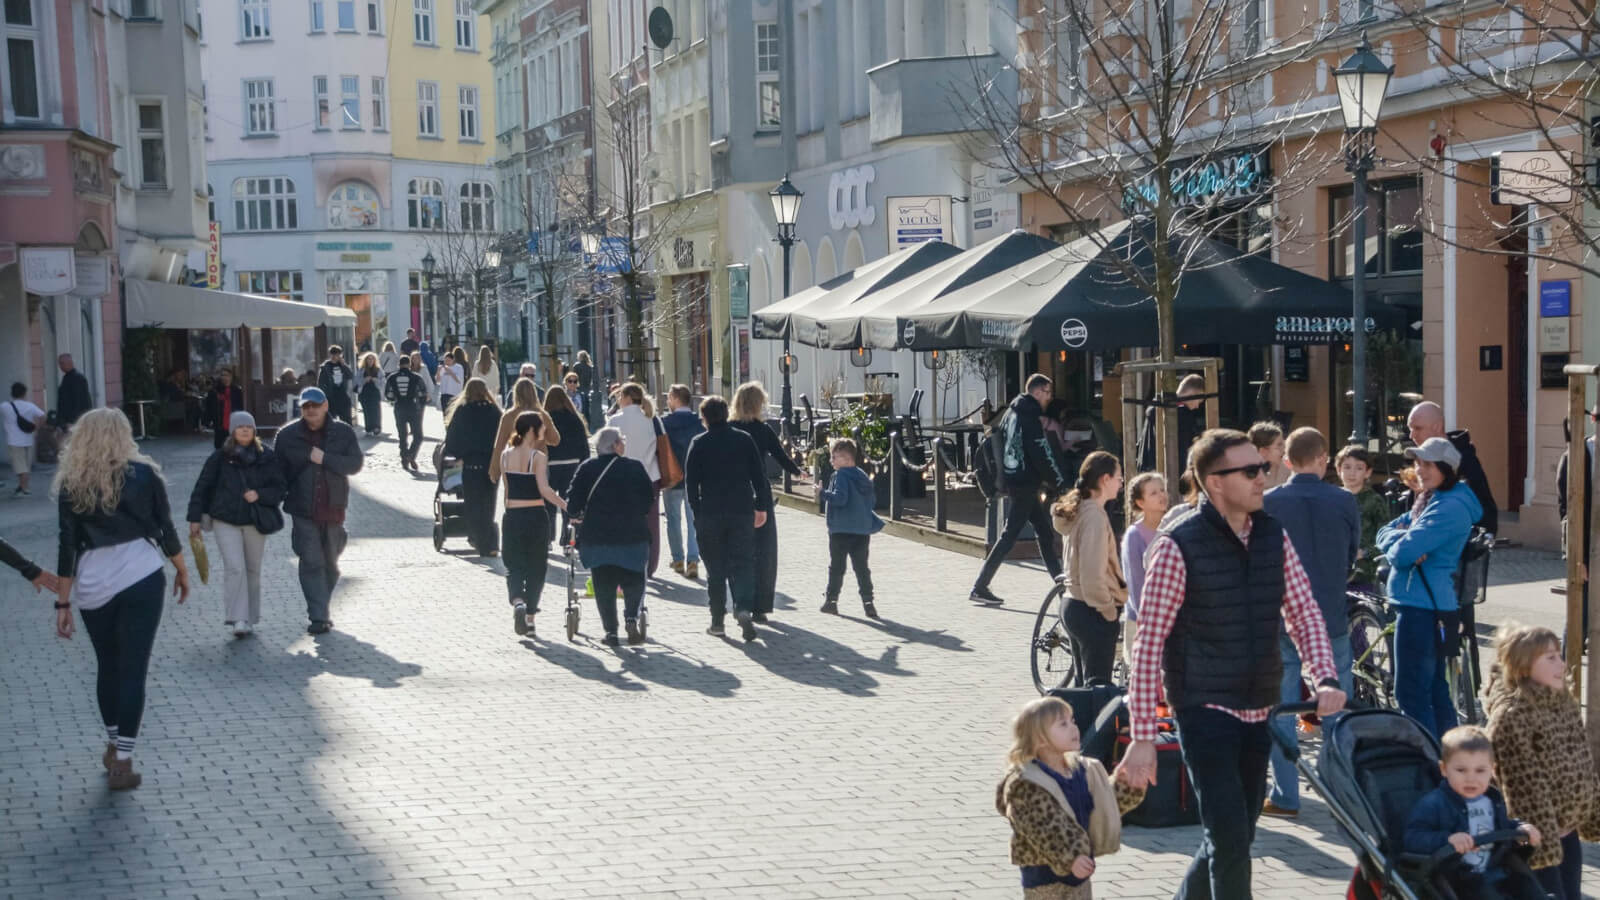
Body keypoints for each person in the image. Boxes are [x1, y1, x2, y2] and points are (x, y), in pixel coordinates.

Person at [1117, 428, 1345, 900]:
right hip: (1202, 708)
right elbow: (1149, 644)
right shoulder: (1178, 545)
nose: (1265, 476)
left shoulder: (1271, 535)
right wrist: (1141, 737)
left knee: (1237, 834)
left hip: (1258, 706)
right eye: (1251, 470)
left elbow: (1303, 612)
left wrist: (1323, 674)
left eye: (1263, 467)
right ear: (1215, 483)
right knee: (1229, 839)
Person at [51, 408, 191, 791]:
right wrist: (181, 568)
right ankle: (123, 760)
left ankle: (114, 741)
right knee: (134, 668)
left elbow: (67, 549)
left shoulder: (71, 484)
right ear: (124, 435)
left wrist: (62, 604)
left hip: (93, 581)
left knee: (108, 666)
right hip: (142, 575)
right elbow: (166, 529)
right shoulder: (145, 475)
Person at [1261, 427, 1360, 819]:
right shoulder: (1343, 501)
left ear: (1286, 461)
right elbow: (1353, 553)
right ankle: (1344, 790)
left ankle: (1286, 794)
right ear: (1324, 459)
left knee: (1282, 704)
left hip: (1281, 615)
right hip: (1331, 613)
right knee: (1337, 703)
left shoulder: (1269, 501)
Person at [1377, 437, 1482, 740]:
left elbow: (1402, 555)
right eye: (1417, 462)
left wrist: (1403, 542)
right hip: (1424, 603)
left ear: (1446, 468)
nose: (1420, 469)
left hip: (1423, 608)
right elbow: (1386, 531)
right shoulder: (1432, 498)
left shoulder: (1449, 506)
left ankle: (1427, 762)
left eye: (1428, 463)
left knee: (1412, 693)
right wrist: (1402, 537)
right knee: (1435, 691)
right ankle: (1446, 762)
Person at [1485, 624, 1600, 899]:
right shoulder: (1513, 718)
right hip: (1538, 841)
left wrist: (1593, 815)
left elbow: (1583, 764)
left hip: (1567, 831)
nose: (1562, 663)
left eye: (1559, 655)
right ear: (1523, 666)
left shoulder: (1563, 703)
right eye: (1550, 658)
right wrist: (1545, 848)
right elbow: (1524, 792)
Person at [997, 696, 1147, 900]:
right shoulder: (1026, 783)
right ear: (1039, 739)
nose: (1073, 728)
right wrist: (1070, 858)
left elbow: (1102, 806)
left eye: (1073, 721)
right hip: (1044, 878)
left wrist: (1128, 786)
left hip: (1079, 871)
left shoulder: (1080, 770)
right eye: (1063, 724)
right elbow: (1043, 827)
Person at [1403, 725, 1543, 900]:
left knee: (1531, 888)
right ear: (1444, 769)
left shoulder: (1492, 799)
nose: (1471, 778)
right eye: (1461, 770)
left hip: (1496, 870)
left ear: (1491, 770)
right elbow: (1412, 838)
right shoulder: (1434, 803)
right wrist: (1447, 839)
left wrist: (1521, 827)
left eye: (1480, 770)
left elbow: (1501, 827)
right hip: (1460, 879)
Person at [971, 374, 1072, 607]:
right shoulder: (1029, 416)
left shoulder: (1013, 411)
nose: (1050, 397)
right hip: (1024, 483)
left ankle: (1061, 587)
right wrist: (1061, 483)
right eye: (1047, 392)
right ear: (1037, 392)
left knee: (1044, 533)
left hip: (1018, 480)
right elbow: (1041, 453)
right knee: (1010, 535)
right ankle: (980, 585)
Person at [185, 411, 285, 638]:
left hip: (254, 520)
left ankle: (250, 617)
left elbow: (280, 488)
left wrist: (259, 494)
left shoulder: (266, 456)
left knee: (252, 569)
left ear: (254, 431)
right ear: (232, 431)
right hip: (225, 519)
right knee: (235, 567)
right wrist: (194, 519)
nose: (245, 430)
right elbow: (202, 488)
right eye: (240, 427)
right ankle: (238, 618)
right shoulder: (219, 458)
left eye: (249, 427)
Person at [274, 387, 364, 634]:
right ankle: (319, 616)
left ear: (325, 406)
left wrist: (324, 458)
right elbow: (276, 473)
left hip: (334, 507)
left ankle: (321, 605)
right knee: (311, 560)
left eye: (315, 405)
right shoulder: (287, 436)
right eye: (306, 407)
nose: (311, 411)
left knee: (331, 563)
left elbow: (355, 464)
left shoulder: (342, 432)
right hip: (302, 508)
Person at [685, 395, 771, 642]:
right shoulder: (743, 440)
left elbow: (691, 483)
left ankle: (717, 621)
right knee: (743, 562)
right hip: (741, 510)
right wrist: (761, 507)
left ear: (704, 418)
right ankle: (743, 607)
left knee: (715, 568)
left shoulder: (698, 443)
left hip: (710, 512)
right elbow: (759, 476)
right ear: (726, 414)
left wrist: (696, 511)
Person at [565, 427, 654, 647]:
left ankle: (611, 632)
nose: (624, 443)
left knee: (603, 584)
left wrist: (578, 515)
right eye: (622, 440)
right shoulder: (635, 467)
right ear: (615, 445)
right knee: (634, 578)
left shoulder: (587, 469)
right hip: (633, 536)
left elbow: (573, 503)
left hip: (598, 538)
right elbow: (648, 500)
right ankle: (631, 617)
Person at [1051, 451, 1126, 686]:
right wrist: (1108, 609)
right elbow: (1092, 572)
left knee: (1084, 689)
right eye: (1118, 477)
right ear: (1105, 480)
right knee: (1097, 690)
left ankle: (1076, 722)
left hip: (1074, 603)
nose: (1121, 483)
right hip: (1090, 608)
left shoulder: (1080, 508)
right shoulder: (1093, 516)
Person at [731, 381, 801, 619]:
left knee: (739, 551)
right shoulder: (762, 430)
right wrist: (799, 471)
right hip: (760, 493)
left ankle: (742, 602)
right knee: (764, 552)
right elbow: (781, 457)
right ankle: (761, 606)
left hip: (735, 495)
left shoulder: (729, 428)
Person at [501, 412, 567, 637]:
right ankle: (529, 618)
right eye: (541, 427)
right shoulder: (537, 457)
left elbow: (507, 489)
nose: (543, 431)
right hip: (535, 516)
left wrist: (508, 514)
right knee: (537, 566)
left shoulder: (505, 455)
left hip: (512, 515)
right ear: (531, 429)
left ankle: (518, 601)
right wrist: (565, 505)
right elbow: (544, 489)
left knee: (514, 564)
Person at [1408, 400, 1499, 535]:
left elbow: (1482, 510)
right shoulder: (1424, 455)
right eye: (1410, 429)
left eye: (1418, 428)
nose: (1412, 435)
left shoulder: (1461, 460)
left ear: (1437, 427)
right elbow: (1411, 513)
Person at [819, 436, 883, 619]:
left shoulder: (840, 475)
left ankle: (831, 601)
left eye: (835, 456)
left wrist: (822, 493)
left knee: (837, 567)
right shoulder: (862, 475)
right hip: (861, 529)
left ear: (847, 459)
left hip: (840, 529)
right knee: (861, 567)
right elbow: (871, 500)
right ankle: (868, 602)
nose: (831, 460)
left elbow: (840, 498)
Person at [606, 383, 663, 575]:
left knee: (623, 520)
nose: (618, 400)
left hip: (621, 478)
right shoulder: (651, 420)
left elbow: (605, 449)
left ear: (627, 398)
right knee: (651, 523)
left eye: (620, 396)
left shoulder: (614, 420)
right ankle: (650, 565)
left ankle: (626, 562)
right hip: (649, 476)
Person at [444, 378, 503, 557]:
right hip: (491, 464)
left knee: (473, 505)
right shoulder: (494, 411)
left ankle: (480, 539)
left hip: (470, 465)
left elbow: (452, 439)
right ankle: (489, 542)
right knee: (489, 503)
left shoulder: (462, 411)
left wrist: (458, 455)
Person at [1120, 472, 1167, 671]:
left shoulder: (1172, 526)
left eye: (1163, 490)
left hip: (1170, 619)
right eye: (1154, 493)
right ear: (1140, 502)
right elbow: (1136, 585)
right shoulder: (1134, 536)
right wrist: (1150, 623)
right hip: (1142, 622)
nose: (1162, 495)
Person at [660, 384, 704, 579]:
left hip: (672, 477)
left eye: (669, 397)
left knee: (673, 520)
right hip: (694, 478)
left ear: (676, 399)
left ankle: (678, 559)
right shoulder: (698, 423)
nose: (668, 401)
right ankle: (693, 560)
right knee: (694, 520)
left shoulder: (664, 423)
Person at [1337, 445, 1390, 588]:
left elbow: (1385, 535)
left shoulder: (1374, 500)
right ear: (1338, 469)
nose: (1352, 473)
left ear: (1368, 472)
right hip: (1335, 569)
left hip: (1364, 572)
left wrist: (1365, 552)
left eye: (1359, 468)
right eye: (1347, 467)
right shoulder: (1332, 498)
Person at [543, 385, 590, 542]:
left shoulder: (546, 418)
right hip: (572, 464)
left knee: (549, 501)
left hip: (551, 464)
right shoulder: (574, 417)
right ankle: (568, 538)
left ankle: (548, 538)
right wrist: (584, 464)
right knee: (567, 502)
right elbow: (584, 444)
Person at [1136, 373, 1206, 473]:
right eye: (1198, 401)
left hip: (1147, 467)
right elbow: (1183, 448)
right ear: (1192, 394)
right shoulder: (1183, 415)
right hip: (1171, 471)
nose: (1197, 407)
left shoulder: (1156, 407)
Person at [386, 355, 430, 471]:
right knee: (418, 435)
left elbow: (388, 395)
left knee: (402, 435)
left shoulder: (392, 377)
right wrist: (420, 405)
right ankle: (411, 455)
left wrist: (394, 398)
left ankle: (404, 459)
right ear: (410, 364)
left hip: (399, 407)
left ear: (399, 365)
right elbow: (423, 393)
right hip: (412, 407)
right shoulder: (416, 377)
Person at [6, 382, 45, 497]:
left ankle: (24, 489)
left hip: (13, 441)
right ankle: (22, 486)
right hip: (28, 439)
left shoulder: (5, 406)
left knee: (20, 467)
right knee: (25, 467)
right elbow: (43, 416)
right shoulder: (30, 406)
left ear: (12, 393)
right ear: (24, 393)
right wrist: (36, 428)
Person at [202, 368, 246, 449]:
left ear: (231, 377)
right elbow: (209, 407)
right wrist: (206, 422)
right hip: (219, 422)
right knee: (219, 445)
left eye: (227, 375)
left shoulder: (237, 391)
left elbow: (240, 407)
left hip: (233, 422)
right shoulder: (214, 391)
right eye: (222, 375)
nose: (224, 377)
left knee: (234, 446)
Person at [317, 346, 357, 425]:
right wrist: (324, 395)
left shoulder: (342, 366)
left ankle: (346, 434)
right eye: (333, 354)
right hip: (331, 395)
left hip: (342, 394)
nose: (335, 357)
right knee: (331, 419)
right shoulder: (325, 367)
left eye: (338, 355)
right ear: (330, 355)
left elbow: (350, 375)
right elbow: (321, 383)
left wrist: (344, 365)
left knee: (346, 418)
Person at [1248, 421, 1289, 491]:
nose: (1284, 449)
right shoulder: (1246, 473)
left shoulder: (1288, 467)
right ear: (1263, 451)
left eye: (1283, 443)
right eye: (1279, 445)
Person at [56, 353, 93, 428]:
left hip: (75, 421)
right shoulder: (67, 378)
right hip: (67, 421)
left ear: (70, 363)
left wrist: (73, 421)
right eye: (60, 364)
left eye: (62, 363)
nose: (60, 366)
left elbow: (79, 401)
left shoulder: (77, 378)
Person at [357, 352, 384, 436]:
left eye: (372, 359)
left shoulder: (378, 369)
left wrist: (375, 379)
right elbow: (357, 381)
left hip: (375, 392)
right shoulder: (361, 370)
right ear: (365, 360)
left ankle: (377, 427)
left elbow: (383, 381)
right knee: (367, 410)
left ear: (375, 360)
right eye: (368, 359)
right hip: (364, 393)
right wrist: (365, 380)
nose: (370, 360)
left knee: (376, 410)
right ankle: (369, 427)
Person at [437, 346, 467, 411]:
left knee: (453, 414)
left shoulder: (458, 367)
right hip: (444, 394)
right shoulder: (443, 368)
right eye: (445, 360)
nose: (447, 362)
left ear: (453, 360)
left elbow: (459, 381)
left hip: (454, 394)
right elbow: (438, 381)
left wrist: (450, 372)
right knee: (445, 414)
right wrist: (438, 372)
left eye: (449, 360)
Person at [572, 350, 596, 427]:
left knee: (579, 408)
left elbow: (574, 378)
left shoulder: (576, 366)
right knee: (587, 409)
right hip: (587, 390)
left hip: (578, 390)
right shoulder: (590, 367)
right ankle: (588, 424)